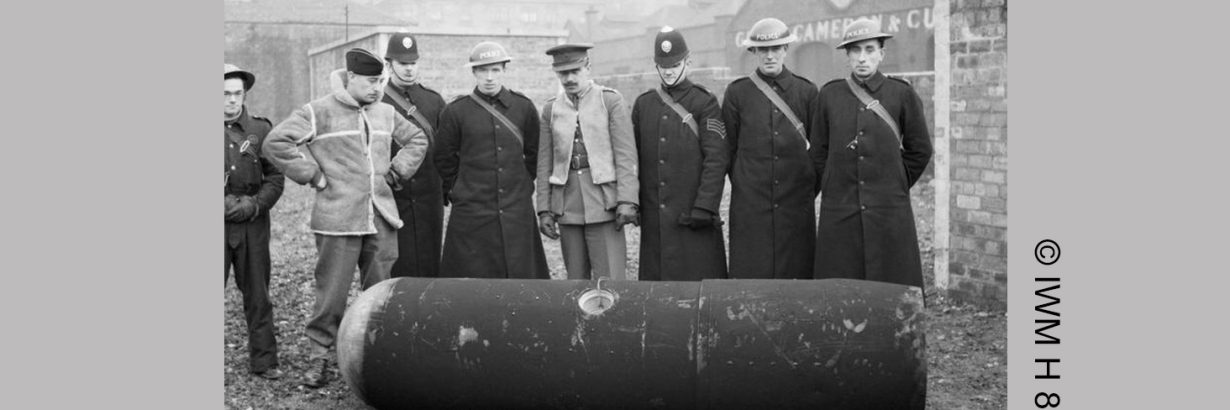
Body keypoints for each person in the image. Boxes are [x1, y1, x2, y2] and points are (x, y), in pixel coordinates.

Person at [262, 48, 429, 387]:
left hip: (380, 218)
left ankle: (377, 358)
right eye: (370, 81)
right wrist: (313, 175)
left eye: (380, 81)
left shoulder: (385, 112)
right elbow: (276, 142)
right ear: (350, 77)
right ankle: (319, 359)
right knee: (331, 296)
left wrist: (396, 174)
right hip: (337, 220)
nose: (377, 88)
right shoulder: (318, 111)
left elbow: (417, 139)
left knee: (380, 295)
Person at [812, 18, 934, 287]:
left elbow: (920, 149)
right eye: (855, 51)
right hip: (840, 206)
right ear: (847, 56)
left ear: (882, 53)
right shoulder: (829, 95)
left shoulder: (901, 94)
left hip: (889, 206)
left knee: (893, 281)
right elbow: (818, 151)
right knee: (841, 284)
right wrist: (833, 181)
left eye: (869, 49)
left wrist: (896, 181)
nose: (862, 58)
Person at [436, 41, 549, 279]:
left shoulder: (523, 107)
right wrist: (459, 188)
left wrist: (522, 184)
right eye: (483, 70)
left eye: (495, 70)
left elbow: (535, 153)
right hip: (472, 211)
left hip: (516, 208)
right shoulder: (456, 111)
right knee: (472, 280)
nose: (489, 77)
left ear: (504, 70)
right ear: (474, 72)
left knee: (521, 276)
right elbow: (444, 159)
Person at [721, 17, 821, 279]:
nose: (769, 56)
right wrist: (747, 183)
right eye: (762, 50)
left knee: (797, 274)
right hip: (751, 203)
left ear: (785, 49)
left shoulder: (807, 92)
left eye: (775, 49)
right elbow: (728, 150)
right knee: (752, 274)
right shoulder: (737, 93)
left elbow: (820, 150)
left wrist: (806, 187)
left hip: (796, 201)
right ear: (753, 52)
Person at [630, 27, 729, 281]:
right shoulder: (644, 105)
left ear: (688, 62)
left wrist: (705, 206)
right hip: (656, 217)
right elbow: (633, 160)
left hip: (693, 214)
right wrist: (635, 203)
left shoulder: (704, 102)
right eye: (663, 65)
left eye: (675, 64)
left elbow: (716, 159)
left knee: (698, 288)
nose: (669, 70)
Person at [535, 43, 639, 280]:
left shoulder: (609, 101)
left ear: (588, 68)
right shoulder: (551, 109)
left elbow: (625, 155)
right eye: (563, 73)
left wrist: (627, 199)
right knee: (575, 284)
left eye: (575, 71)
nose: (569, 78)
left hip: (604, 203)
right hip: (567, 206)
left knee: (611, 281)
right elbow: (545, 164)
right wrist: (544, 210)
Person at [223, 63, 285, 380]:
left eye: (237, 94)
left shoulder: (260, 131)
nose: (231, 100)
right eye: (224, 94)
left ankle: (264, 360)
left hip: (252, 224)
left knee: (258, 294)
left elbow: (275, 178)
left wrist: (255, 205)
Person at [382, 32, 446, 278]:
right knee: (397, 264)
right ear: (389, 65)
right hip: (393, 197)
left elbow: (445, 149)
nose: (409, 69)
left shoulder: (433, 101)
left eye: (413, 63)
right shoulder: (378, 100)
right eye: (402, 64)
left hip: (429, 197)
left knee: (430, 263)